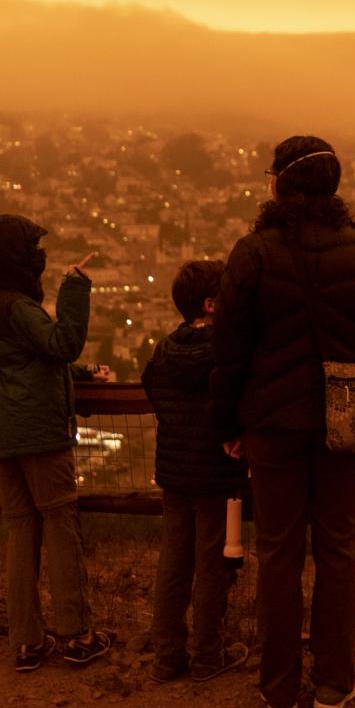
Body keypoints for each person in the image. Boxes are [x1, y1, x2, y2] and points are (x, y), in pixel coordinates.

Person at [210, 136, 355, 708]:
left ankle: (277, 685)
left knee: (280, 552)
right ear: (333, 189)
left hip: (271, 423)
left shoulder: (253, 254)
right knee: (339, 550)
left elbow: (230, 352)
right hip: (344, 424)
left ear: (278, 185)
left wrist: (228, 422)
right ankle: (334, 681)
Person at [0, 213, 114, 672]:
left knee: (20, 530)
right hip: (38, 433)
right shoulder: (18, 305)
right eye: (32, 250)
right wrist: (75, 288)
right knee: (59, 526)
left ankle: (27, 641)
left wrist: (82, 376)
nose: (39, 258)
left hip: (4, 434)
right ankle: (77, 634)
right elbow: (63, 342)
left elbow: (29, 361)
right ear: (18, 259)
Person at [142, 259, 251, 684]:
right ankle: (208, 654)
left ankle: (167, 656)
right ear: (210, 305)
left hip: (173, 473)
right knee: (211, 567)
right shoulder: (226, 355)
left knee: (173, 561)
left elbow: (153, 392)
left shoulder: (163, 352)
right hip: (216, 475)